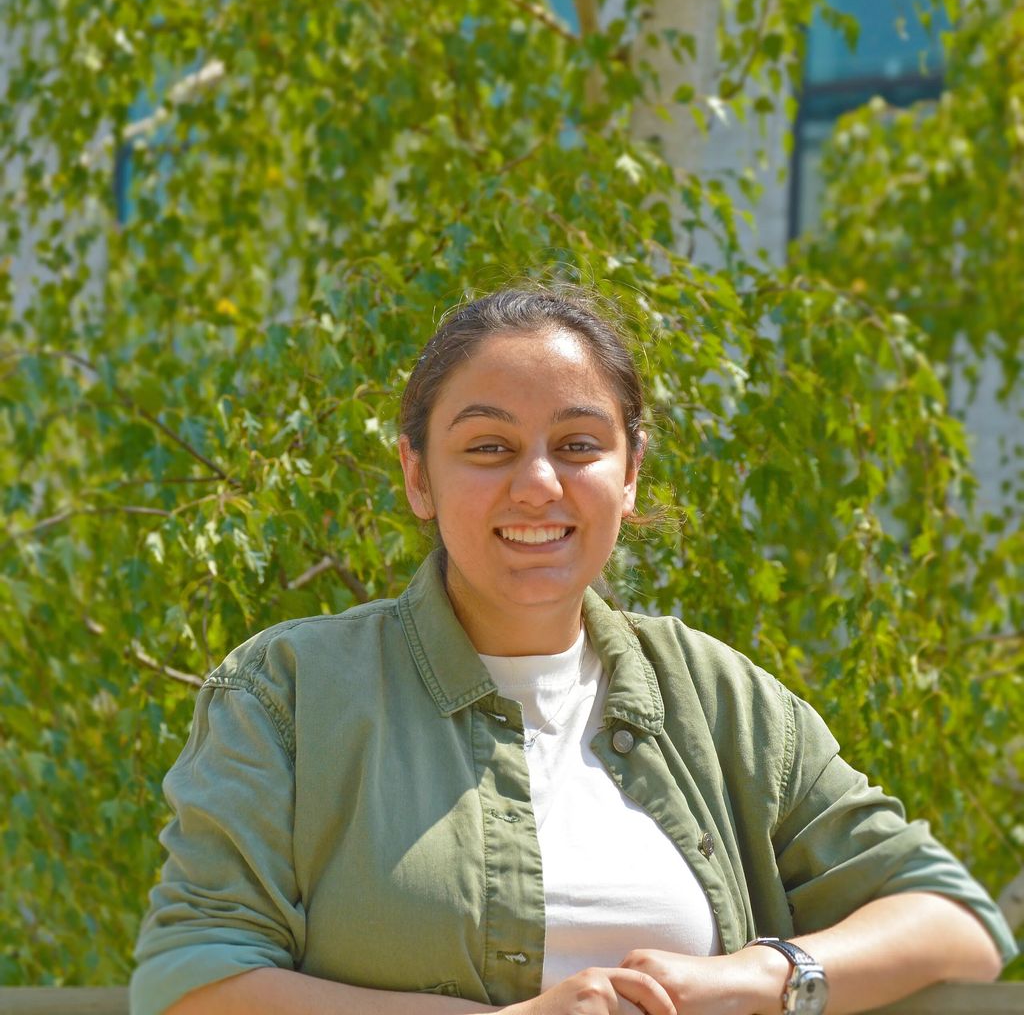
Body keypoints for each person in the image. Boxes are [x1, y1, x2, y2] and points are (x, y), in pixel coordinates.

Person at [131, 286, 1015, 1015]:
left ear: (629, 474)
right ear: (416, 476)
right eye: (489, 447)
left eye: (579, 445)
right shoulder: (286, 692)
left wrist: (760, 976)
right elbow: (191, 982)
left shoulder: (718, 698)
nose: (539, 484)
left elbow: (956, 923)